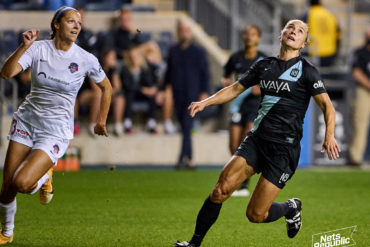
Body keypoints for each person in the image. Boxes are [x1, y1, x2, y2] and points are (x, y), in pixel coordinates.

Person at [174, 19, 341, 247]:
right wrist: (206, 102)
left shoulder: (308, 71)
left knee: (255, 215)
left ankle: (290, 207)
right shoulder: (264, 66)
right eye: (290, 28)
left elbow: (327, 106)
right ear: (282, 34)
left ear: (304, 42)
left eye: (300, 31)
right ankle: (193, 243)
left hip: (283, 150)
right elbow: (235, 88)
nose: (294, 31)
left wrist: (329, 135)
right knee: (220, 190)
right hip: (257, 140)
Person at [0, 6, 112, 244]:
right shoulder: (39, 48)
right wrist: (24, 47)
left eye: (79, 23)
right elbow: (6, 73)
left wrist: (101, 120)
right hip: (27, 121)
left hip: (55, 131)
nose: (76, 25)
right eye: (71, 21)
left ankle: (45, 176)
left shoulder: (85, 58)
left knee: (22, 183)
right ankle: (6, 233)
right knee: (7, 186)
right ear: (57, 25)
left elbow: (107, 88)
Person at [222, 25, 266, 197]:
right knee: (233, 145)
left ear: (258, 38)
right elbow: (225, 76)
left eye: (253, 34)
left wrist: (261, 89)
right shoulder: (236, 58)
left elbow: (272, 84)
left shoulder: (263, 60)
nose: (249, 37)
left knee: (245, 142)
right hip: (238, 105)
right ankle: (237, 179)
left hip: (255, 106)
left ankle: (242, 184)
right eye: (246, 34)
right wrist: (225, 83)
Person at [164, 20, 210, 169]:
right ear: (179, 32)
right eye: (182, 30)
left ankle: (182, 159)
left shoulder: (198, 52)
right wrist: (164, 89)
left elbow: (205, 74)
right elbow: (168, 73)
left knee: (186, 126)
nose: (185, 33)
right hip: (177, 94)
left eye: (187, 30)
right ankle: (189, 159)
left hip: (193, 94)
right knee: (185, 128)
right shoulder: (173, 51)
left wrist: (204, 92)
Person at [121, 46, 158, 134]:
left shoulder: (146, 68)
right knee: (128, 95)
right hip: (132, 93)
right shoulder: (125, 68)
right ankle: (127, 123)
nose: (134, 59)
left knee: (152, 95)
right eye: (132, 57)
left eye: (137, 56)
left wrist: (151, 89)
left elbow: (150, 82)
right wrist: (142, 90)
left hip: (143, 93)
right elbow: (127, 86)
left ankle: (151, 123)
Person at [349, 28, 370, 166]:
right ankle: (355, 157)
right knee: (360, 123)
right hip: (365, 90)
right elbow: (356, 73)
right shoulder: (361, 52)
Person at [305, 0, 340, 67]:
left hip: (314, 55)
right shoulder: (330, 15)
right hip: (330, 54)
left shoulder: (309, 15)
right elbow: (338, 34)